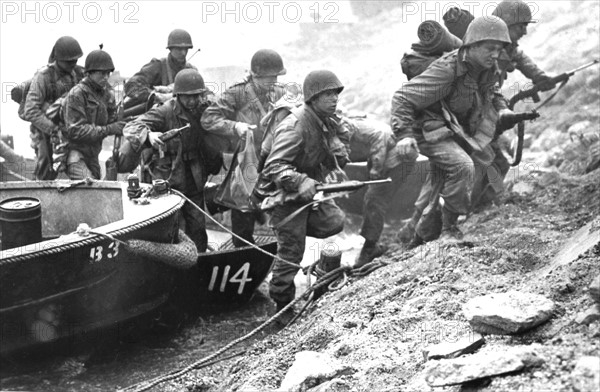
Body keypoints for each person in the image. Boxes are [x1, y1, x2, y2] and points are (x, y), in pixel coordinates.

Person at [391, 16, 520, 243]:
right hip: (429, 130)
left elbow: (493, 91)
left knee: (474, 166)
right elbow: (402, 98)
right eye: (490, 48)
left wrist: (502, 110)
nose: (495, 54)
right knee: (462, 166)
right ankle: (449, 229)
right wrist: (404, 136)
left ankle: (419, 236)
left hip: (456, 130)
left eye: (499, 49)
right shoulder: (447, 69)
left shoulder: (486, 67)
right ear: (472, 46)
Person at [261, 70, 350, 320]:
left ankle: (321, 271)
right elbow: (274, 167)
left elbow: (335, 154)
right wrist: (301, 181)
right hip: (284, 195)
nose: (334, 100)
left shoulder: (325, 121)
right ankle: (282, 307)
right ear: (312, 98)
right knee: (291, 250)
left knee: (334, 220)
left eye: (335, 94)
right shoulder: (295, 125)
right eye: (328, 95)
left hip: (308, 193)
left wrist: (336, 151)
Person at [123, 69, 225, 252]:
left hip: (194, 176)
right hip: (168, 176)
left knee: (197, 227)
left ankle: (198, 262)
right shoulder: (165, 111)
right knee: (170, 226)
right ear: (178, 95)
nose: (192, 101)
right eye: (187, 97)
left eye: (196, 96)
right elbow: (132, 126)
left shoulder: (205, 108)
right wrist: (149, 135)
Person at [201, 49, 287, 247]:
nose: (273, 82)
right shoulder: (237, 93)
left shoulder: (278, 93)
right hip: (245, 160)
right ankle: (242, 249)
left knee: (277, 205)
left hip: (271, 159)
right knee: (242, 209)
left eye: (276, 77)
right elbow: (208, 118)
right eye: (269, 78)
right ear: (255, 76)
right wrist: (235, 127)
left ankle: (280, 253)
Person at [339, 113, 418, 267]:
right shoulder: (340, 126)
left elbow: (380, 136)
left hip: (397, 157)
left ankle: (369, 249)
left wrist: (376, 168)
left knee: (374, 199)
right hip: (383, 155)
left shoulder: (346, 126)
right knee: (373, 198)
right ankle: (374, 240)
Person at [22, 36, 85, 180]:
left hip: (68, 129)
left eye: (75, 60)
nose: (73, 63)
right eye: (69, 61)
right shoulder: (43, 77)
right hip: (44, 130)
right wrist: (53, 129)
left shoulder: (77, 74)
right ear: (58, 58)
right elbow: (30, 110)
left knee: (80, 165)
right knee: (45, 167)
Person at [62, 49, 124, 180]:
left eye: (108, 73)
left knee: (99, 190)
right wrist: (109, 129)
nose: (106, 77)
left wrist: (123, 123)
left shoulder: (106, 94)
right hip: (75, 156)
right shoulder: (77, 94)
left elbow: (110, 119)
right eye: (102, 73)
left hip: (93, 157)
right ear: (89, 73)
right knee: (91, 189)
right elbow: (76, 131)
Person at [124, 29, 197, 108]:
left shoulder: (192, 71)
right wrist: (155, 96)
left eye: (186, 49)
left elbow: (202, 92)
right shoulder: (157, 66)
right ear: (170, 49)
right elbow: (131, 85)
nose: (183, 53)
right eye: (179, 49)